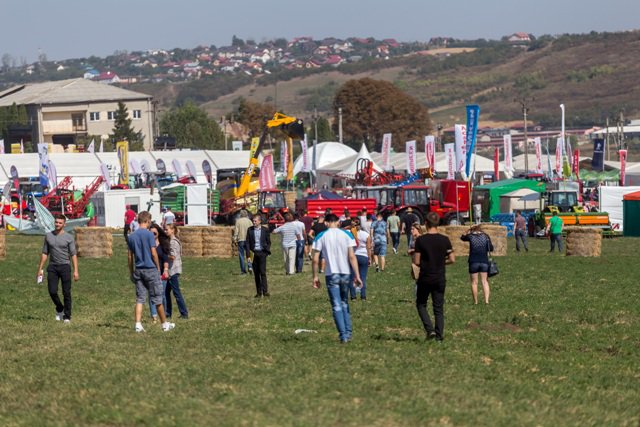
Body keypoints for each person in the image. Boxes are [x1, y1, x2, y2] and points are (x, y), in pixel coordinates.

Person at [312, 213, 362, 343]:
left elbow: (315, 260)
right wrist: (357, 275)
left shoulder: (321, 236)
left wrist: (315, 276)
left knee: (336, 305)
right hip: (345, 273)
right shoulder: (347, 234)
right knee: (344, 302)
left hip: (331, 273)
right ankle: (349, 332)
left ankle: (343, 335)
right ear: (338, 222)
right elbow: (352, 256)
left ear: (326, 223)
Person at [127, 211, 175, 332]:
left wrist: (131, 271)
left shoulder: (131, 236)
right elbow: (154, 253)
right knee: (158, 298)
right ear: (147, 221)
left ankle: (138, 324)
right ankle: (164, 324)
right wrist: (158, 268)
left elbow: (129, 256)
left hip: (139, 269)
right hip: (150, 269)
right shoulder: (149, 235)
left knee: (140, 298)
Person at [412, 212, 455, 341]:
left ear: (426, 223)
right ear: (438, 224)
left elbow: (417, 261)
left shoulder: (420, 240)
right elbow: (452, 259)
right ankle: (439, 336)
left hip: (425, 277)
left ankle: (429, 330)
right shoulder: (445, 239)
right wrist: (442, 261)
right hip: (440, 277)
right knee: (438, 308)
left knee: (421, 304)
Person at [36, 214, 79, 323]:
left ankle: (67, 316)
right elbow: (45, 253)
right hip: (52, 267)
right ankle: (60, 308)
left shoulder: (69, 237)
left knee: (66, 292)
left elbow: (73, 254)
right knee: (52, 291)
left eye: (60, 223)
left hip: (65, 267)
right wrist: (40, 269)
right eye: (56, 222)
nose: (57, 224)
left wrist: (76, 271)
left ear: (64, 224)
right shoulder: (48, 236)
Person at [461, 224, 493, 305]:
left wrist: (468, 230)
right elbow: (491, 248)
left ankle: (475, 302)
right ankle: (486, 301)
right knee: (485, 282)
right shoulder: (486, 236)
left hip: (473, 261)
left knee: (474, 282)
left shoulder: (470, 236)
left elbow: (462, 237)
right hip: (484, 261)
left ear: (472, 229)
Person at [164, 223, 189, 319]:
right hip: (171, 269)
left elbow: (173, 256)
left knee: (176, 292)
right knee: (166, 292)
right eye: (165, 229)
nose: (165, 231)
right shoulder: (170, 241)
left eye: (167, 229)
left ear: (172, 230)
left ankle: (184, 313)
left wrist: (164, 256)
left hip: (173, 270)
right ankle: (168, 313)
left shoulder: (173, 242)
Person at [148, 223, 170, 323]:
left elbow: (166, 259)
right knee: (152, 294)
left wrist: (165, 270)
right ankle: (154, 315)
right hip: (151, 273)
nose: (153, 234)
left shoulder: (163, 243)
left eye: (154, 232)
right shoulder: (147, 244)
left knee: (162, 294)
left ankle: (164, 313)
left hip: (161, 272)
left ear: (158, 232)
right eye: (150, 232)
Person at [246, 214, 271, 297]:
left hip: (262, 253)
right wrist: (248, 255)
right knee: (256, 273)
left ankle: (265, 291)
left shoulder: (265, 230)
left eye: (255, 221)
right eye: (253, 221)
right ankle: (259, 292)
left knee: (262, 272)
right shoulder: (250, 230)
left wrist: (266, 252)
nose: (253, 222)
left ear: (260, 221)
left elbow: (268, 242)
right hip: (254, 253)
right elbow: (247, 243)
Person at [352, 218, 372, 301]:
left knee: (353, 277)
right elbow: (369, 247)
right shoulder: (366, 235)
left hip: (354, 256)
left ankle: (353, 296)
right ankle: (363, 296)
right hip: (364, 256)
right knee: (363, 277)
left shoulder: (351, 234)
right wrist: (370, 258)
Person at [233, 210, 253, 274]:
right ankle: (250, 266)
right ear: (247, 214)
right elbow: (252, 230)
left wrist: (234, 239)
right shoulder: (249, 221)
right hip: (248, 240)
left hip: (240, 239)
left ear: (240, 215)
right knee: (249, 254)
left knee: (241, 255)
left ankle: (243, 271)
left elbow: (236, 231)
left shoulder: (238, 221)